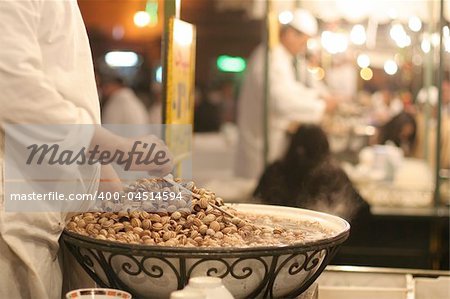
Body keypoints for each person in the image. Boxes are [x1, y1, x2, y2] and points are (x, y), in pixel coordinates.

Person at [0, 2, 172, 298]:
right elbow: (13, 88)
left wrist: (111, 186)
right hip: (15, 218)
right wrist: (121, 149)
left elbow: (72, 100)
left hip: (48, 219)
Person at [235, 9, 337, 179]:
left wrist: (317, 98)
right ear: (290, 34)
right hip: (260, 147)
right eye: (302, 43)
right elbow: (281, 101)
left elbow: (291, 90)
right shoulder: (271, 59)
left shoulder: (280, 57)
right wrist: (321, 107)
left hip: (268, 144)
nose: (302, 48)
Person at [254, 125, 370, 223]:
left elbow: (256, 200)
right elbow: (362, 208)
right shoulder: (332, 173)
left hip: (273, 233)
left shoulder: (275, 169)